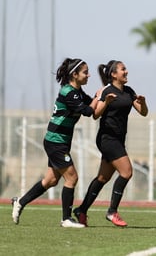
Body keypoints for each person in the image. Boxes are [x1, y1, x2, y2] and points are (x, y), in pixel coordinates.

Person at [11, 58, 105, 228]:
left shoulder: (77, 91)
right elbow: (88, 110)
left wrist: (103, 98)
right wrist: (101, 96)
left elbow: (92, 105)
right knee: (72, 177)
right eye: (85, 72)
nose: (88, 75)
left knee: (50, 181)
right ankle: (66, 219)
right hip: (56, 142)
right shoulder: (69, 93)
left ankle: (20, 202)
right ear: (74, 74)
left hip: (59, 141)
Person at [73, 60, 148, 227]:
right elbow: (95, 114)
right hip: (107, 139)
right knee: (127, 172)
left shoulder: (129, 91)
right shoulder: (107, 91)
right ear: (114, 74)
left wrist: (143, 103)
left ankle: (81, 210)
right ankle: (112, 211)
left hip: (118, 140)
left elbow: (143, 113)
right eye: (123, 69)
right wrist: (106, 102)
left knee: (103, 177)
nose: (126, 72)